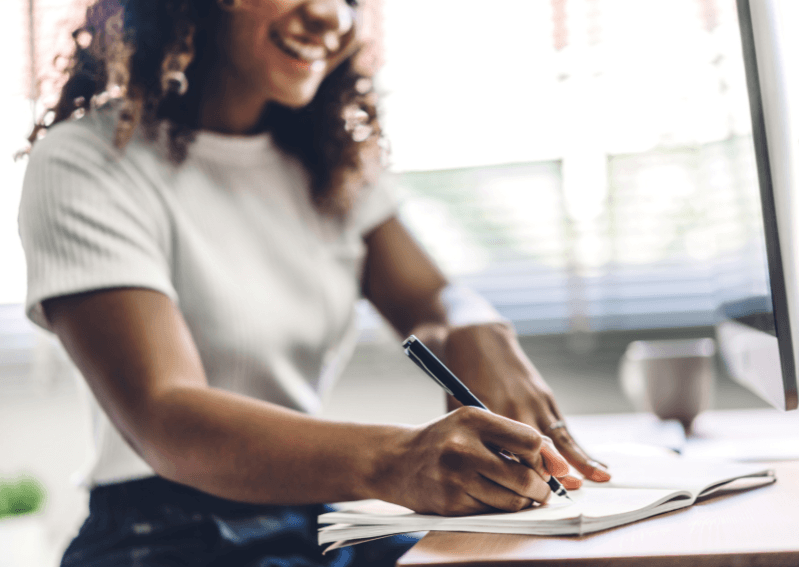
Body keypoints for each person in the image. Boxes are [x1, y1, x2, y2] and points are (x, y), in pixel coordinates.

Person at [18, 0, 611, 565]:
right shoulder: (87, 161)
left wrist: (476, 326)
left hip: (312, 517)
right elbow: (165, 415)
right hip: (161, 535)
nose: (331, 14)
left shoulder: (326, 162)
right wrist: (398, 458)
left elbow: (431, 299)